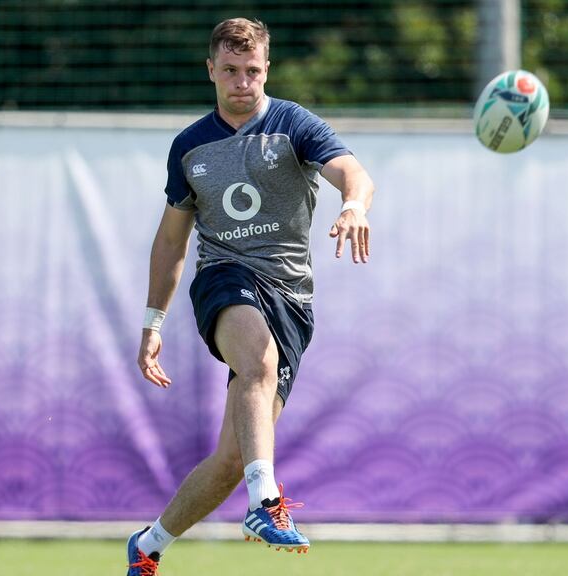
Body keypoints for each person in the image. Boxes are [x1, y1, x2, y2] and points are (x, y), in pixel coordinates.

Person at [126, 17, 374, 576]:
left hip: (290, 298)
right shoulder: (189, 147)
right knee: (258, 361)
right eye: (231, 70)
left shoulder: (292, 124)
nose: (242, 82)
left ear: (267, 70)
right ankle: (266, 503)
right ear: (211, 70)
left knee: (233, 457)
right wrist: (152, 323)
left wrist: (354, 204)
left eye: (253, 71)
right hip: (225, 278)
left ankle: (149, 544)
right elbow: (171, 242)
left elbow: (353, 172)